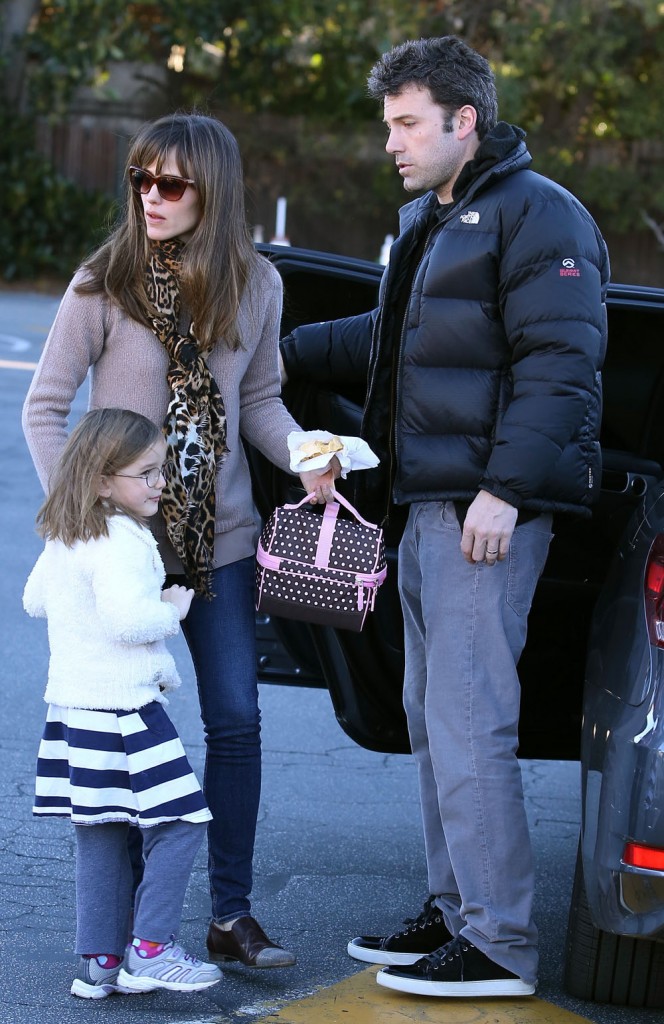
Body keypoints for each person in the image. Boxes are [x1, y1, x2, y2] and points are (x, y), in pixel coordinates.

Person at [279, 36, 609, 998]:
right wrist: (276, 350)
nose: (392, 142)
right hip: (424, 510)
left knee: (470, 725)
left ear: (466, 121)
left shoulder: (541, 216)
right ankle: (455, 904)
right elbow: (391, 341)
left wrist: (503, 492)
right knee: (434, 718)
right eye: (389, 125)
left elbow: (562, 367)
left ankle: (499, 941)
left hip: (480, 515)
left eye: (406, 123)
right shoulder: (436, 217)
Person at [22, 112, 337, 970]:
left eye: (169, 183)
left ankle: (230, 915)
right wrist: (83, 513)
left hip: (221, 543)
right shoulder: (104, 282)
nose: (148, 197)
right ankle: (126, 924)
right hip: (121, 549)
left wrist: (307, 454)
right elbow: (45, 407)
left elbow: (261, 404)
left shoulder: (257, 285)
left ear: (213, 189)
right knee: (127, 728)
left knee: (236, 720)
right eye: (139, 180)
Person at [23, 408, 223, 998]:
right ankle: (152, 950)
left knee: (102, 831)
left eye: (160, 470)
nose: (161, 483)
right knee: (182, 820)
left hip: (75, 710)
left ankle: (102, 963)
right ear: (104, 480)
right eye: (147, 473)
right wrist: (172, 608)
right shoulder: (121, 538)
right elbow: (129, 619)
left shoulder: (70, 531)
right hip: (125, 711)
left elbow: (36, 600)